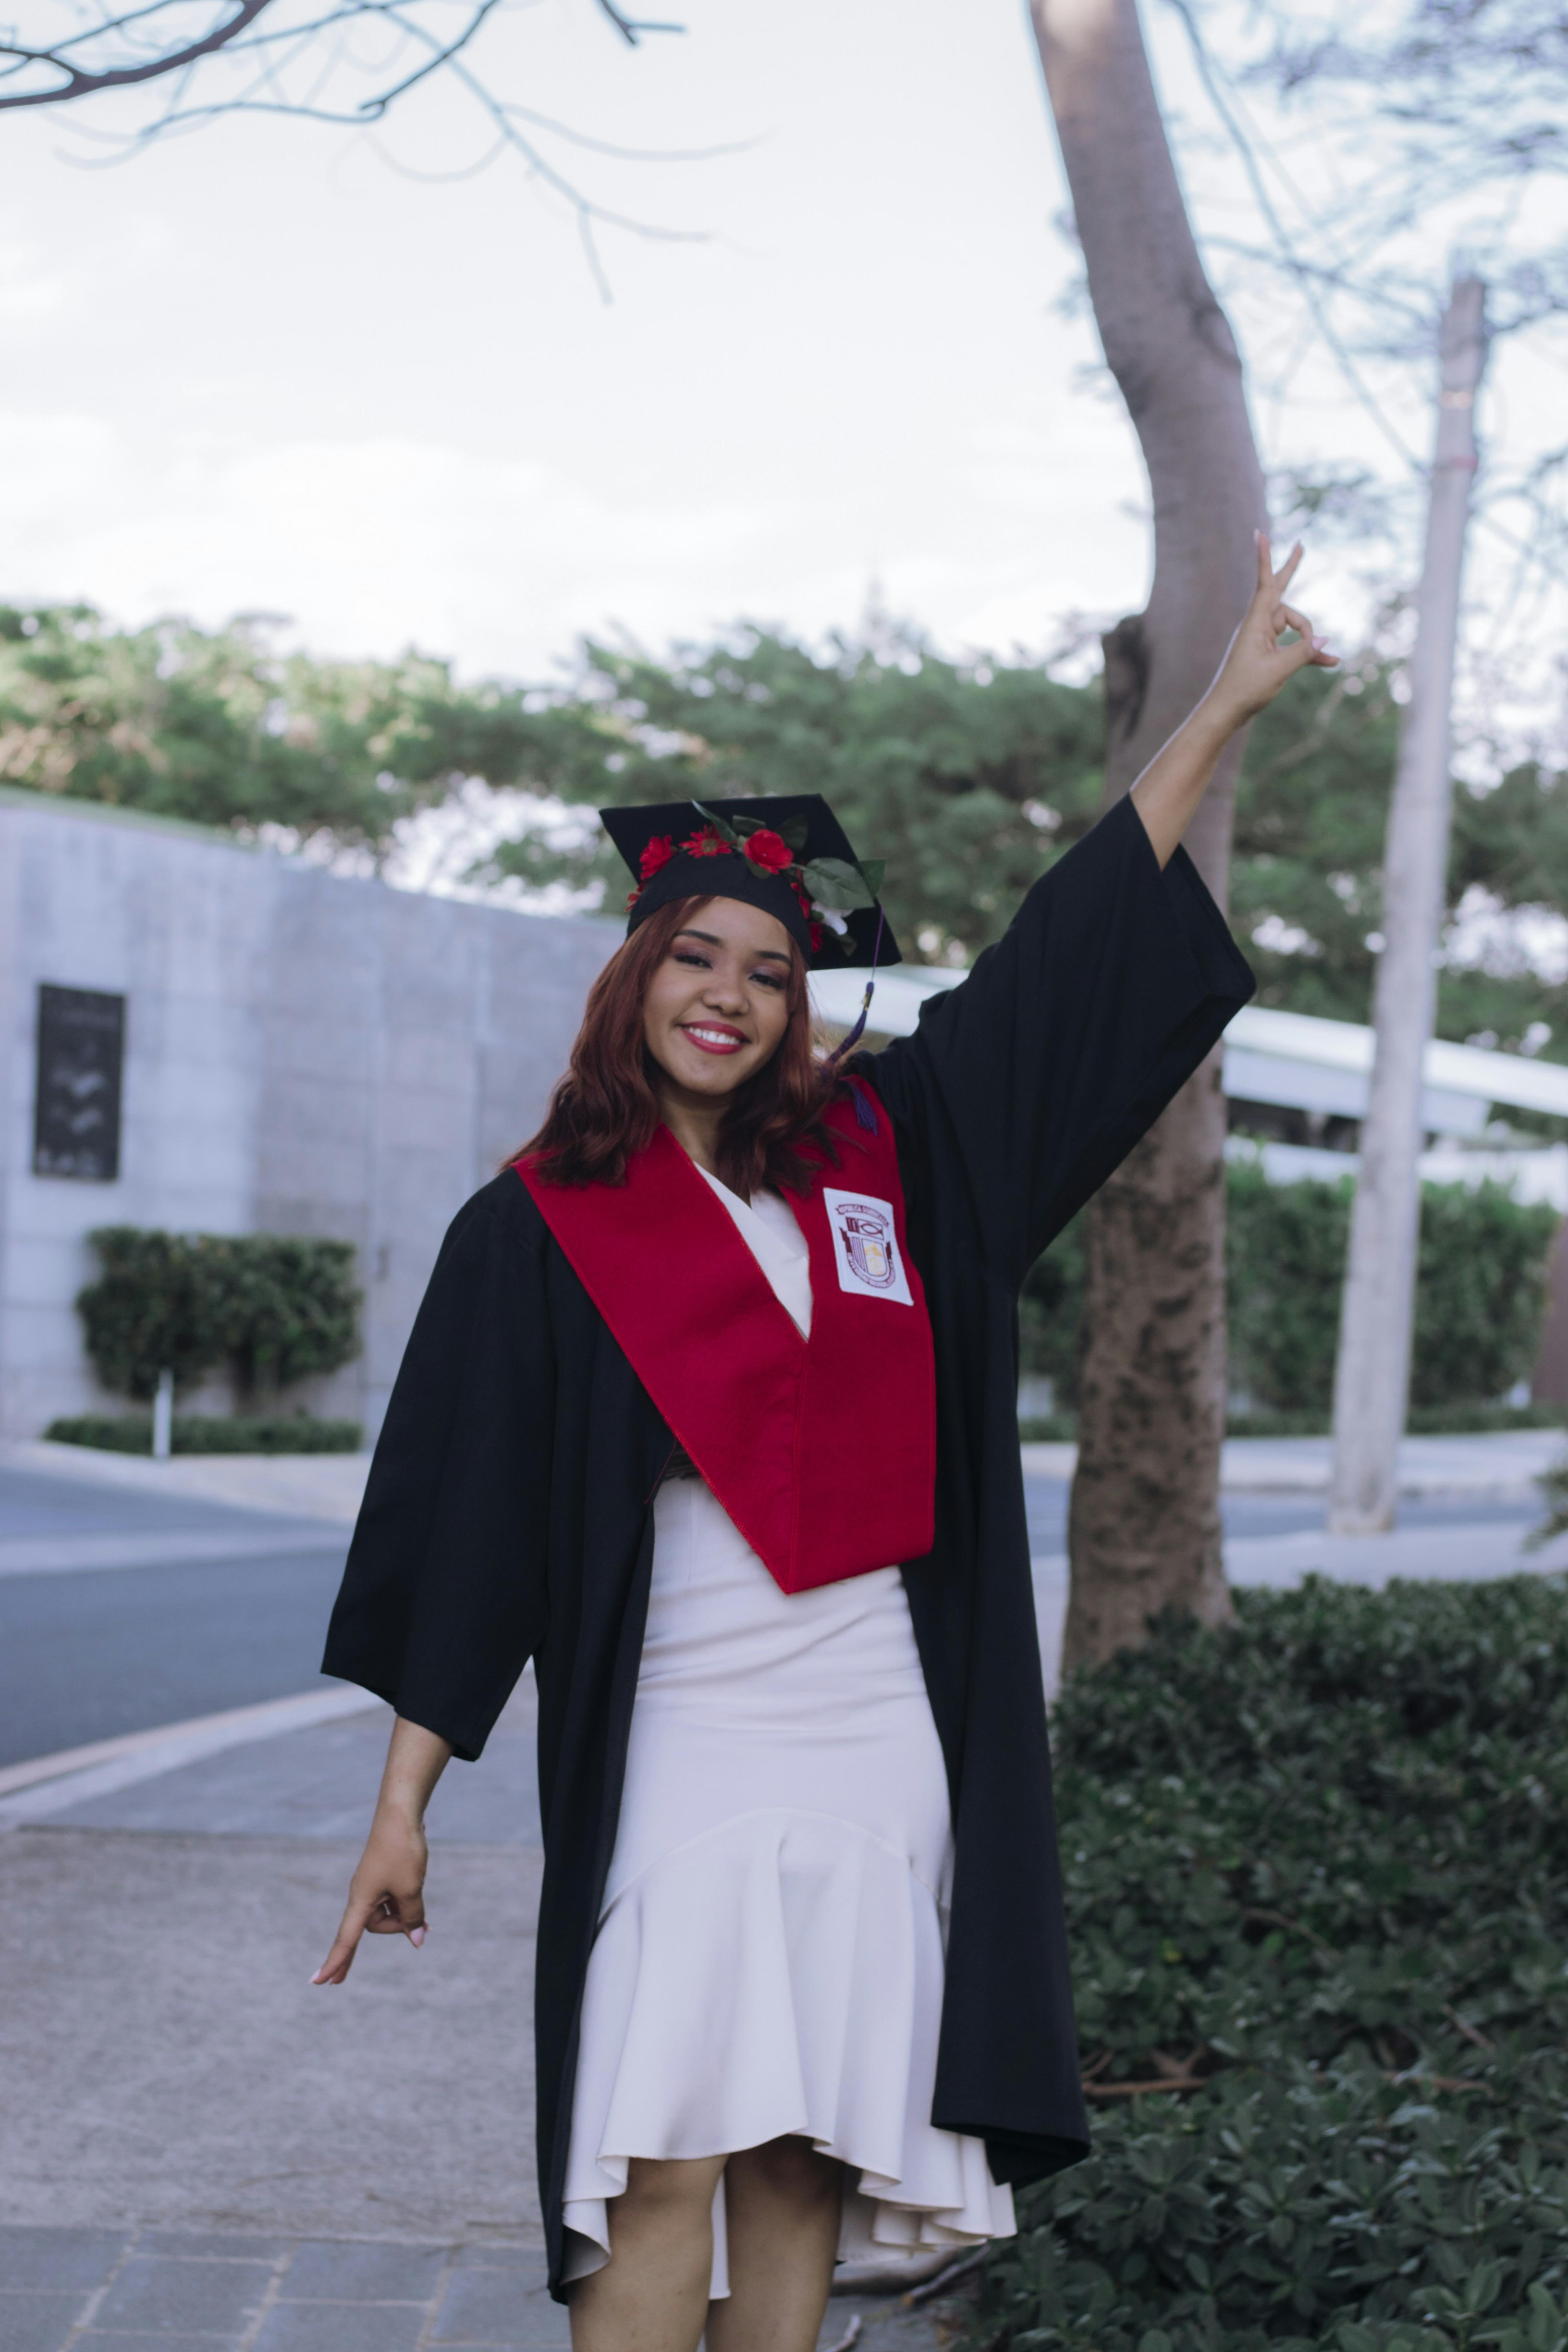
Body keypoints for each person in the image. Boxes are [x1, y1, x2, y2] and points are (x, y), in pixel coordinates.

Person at [312, 537, 1336, 2351]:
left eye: (771, 969)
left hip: (877, 1718)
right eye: (695, 954)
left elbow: (1062, 954)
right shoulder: (541, 1226)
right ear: (636, 975)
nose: (732, 989)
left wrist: (1223, 710)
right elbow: (460, 1520)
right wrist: (403, 1805)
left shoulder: (888, 1152)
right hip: (685, 1727)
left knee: (799, 2157)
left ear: (801, 1005)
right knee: (656, 2158)